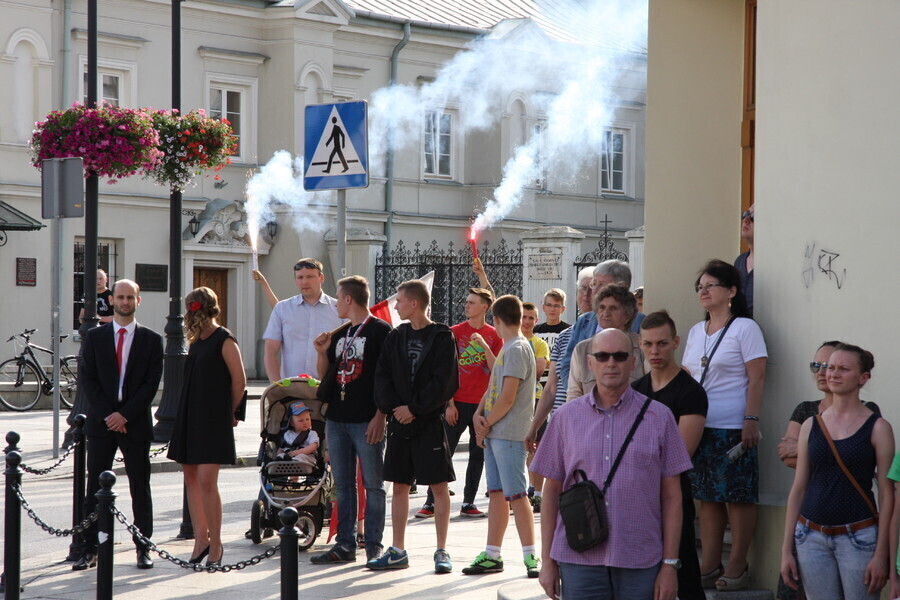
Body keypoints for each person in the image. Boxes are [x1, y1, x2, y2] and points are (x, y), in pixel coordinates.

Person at [531, 328, 692, 600]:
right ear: (590, 362)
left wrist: (670, 565)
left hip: (640, 560)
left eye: (619, 356)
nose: (611, 363)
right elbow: (551, 493)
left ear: (633, 362)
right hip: (579, 557)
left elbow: (673, 497)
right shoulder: (565, 418)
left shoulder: (660, 418)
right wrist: (547, 561)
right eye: (603, 356)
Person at [781, 344, 893, 600]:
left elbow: (887, 495)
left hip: (859, 537)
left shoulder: (878, 427)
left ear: (863, 377)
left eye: (843, 369)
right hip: (810, 537)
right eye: (830, 367)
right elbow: (799, 488)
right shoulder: (811, 424)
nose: (832, 373)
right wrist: (787, 549)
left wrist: (881, 554)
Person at [682, 259, 767, 591]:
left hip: (733, 425)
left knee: (737, 496)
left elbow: (757, 377)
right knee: (708, 497)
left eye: (710, 285)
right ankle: (709, 562)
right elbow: (689, 376)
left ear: (731, 291)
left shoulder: (745, 328)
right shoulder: (694, 331)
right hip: (699, 425)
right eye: (699, 286)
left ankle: (738, 564)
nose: (703, 291)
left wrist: (751, 419)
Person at [370, 280, 458, 573]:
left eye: (399, 301)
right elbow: (382, 375)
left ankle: (442, 550)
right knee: (399, 485)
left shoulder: (442, 336)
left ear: (414, 303)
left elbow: (444, 380)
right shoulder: (396, 336)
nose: (395, 306)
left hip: (428, 423)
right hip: (399, 423)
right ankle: (397, 550)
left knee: (439, 486)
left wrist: (415, 409)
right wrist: (394, 409)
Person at [74, 279, 164, 571]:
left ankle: (143, 547)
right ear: (111, 300)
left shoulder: (152, 340)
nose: (125, 302)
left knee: (141, 486)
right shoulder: (95, 338)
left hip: (134, 423)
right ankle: (91, 549)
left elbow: (151, 385)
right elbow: (88, 380)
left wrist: (124, 415)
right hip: (102, 424)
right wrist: (110, 416)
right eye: (120, 297)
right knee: (94, 490)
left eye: (130, 297)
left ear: (139, 301)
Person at [311, 275, 391, 564]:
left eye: (338, 297)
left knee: (373, 485)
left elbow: (388, 378)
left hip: (366, 419)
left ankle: (374, 546)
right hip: (337, 418)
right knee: (343, 485)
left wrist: (381, 415)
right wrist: (322, 352)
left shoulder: (381, 331)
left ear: (349, 299)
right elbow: (326, 374)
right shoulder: (341, 332)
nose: (335, 303)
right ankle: (345, 545)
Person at [167, 286, 246, 567]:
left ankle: (217, 543)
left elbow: (240, 381)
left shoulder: (224, 339)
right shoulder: (196, 341)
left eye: (192, 308)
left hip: (214, 418)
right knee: (189, 476)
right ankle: (201, 540)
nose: (190, 314)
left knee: (206, 482)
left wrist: (230, 412)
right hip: (191, 414)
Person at [632, 311, 708, 600]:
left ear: (675, 342)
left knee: (684, 579)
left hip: (673, 497)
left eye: (662, 343)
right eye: (649, 344)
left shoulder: (691, 392)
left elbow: (680, 456)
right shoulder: (635, 390)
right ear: (639, 344)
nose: (655, 351)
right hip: (637, 499)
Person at [463, 295, 539, 579]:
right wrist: (478, 415)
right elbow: (493, 388)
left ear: (495, 320)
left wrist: (485, 424)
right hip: (496, 433)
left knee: (517, 496)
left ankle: (531, 555)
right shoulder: (508, 347)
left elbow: (507, 398)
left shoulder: (518, 348)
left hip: (508, 434)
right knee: (496, 494)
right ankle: (492, 554)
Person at [417, 287, 502, 520]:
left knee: (478, 455)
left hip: (482, 405)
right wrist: (449, 404)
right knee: (443, 453)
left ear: (484, 307)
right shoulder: (454, 332)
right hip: (457, 402)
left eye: (472, 302)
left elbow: (497, 370)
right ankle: (430, 502)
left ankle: (469, 502)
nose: (467, 306)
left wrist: (485, 346)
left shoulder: (494, 335)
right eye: (466, 301)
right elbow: (445, 371)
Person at [525, 269, 595, 453]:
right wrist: (534, 426)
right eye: (582, 289)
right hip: (561, 423)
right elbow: (551, 387)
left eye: (592, 288)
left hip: (592, 426)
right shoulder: (565, 337)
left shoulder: (610, 335)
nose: (586, 295)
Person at [558, 260, 632, 397]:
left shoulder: (639, 324)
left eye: (602, 285)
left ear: (622, 288)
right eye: (594, 283)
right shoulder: (584, 321)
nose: (594, 290)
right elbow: (567, 365)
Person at [263, 258, 343, 381]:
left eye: (310, 276)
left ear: (321, 278)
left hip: (327, 387)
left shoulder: (339, 309)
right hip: (291, 387)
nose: (304, 282)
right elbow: (270, 351)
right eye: (300, 277)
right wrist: (277, 387)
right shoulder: (282, 309)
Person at [567, 283, 645, 400]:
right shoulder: (583, 349)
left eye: (613, 308)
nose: (605, 313)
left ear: (628, 315)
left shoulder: (642, 347)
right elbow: (574, 393)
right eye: (602, 307)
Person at [520, 302, 549, 512]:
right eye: (523, 317)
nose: (527, 321)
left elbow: (537, 373)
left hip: (535, 400)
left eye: (531, 318)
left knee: (535, 448)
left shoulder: (539, 344)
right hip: (512, 402)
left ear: (536, 321)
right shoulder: (507, 341)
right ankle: (519, 491)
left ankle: (537, 494)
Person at [276, 402, 319, 470]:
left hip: (306, 457)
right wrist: (279, 453)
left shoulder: (311, 433)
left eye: (307, 419)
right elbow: (282, 447)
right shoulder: (288, 434)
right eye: (301, 421)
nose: (305, 422)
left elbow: (314, 446)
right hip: (289, 456)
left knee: (301, 456)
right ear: (292, 423)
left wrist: (299, 452)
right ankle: (280, 461)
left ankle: (294, 462)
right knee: (281, 455)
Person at [734, 204, 754, 317]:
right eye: (746, 214)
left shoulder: (774, 261)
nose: (746, 220)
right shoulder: (740, 261)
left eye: (753, 216)